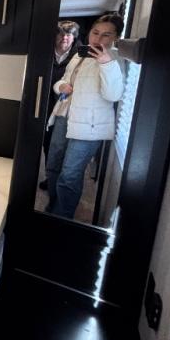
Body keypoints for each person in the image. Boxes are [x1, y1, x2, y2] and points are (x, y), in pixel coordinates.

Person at [44, 14, 124, 220]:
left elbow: (113, 95)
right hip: (64, 116)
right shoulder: (80, 53)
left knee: (70, 175)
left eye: (106, 35)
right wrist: (61, 86)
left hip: (89, 127)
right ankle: (53, 207)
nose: (98, 39)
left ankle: (62, 218)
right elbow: (63, 80)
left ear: (116, 37)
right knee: (53, 165)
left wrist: (106, 64)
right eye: (95, 33)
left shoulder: (116, 59)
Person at [38, 21, 80, 190]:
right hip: (42, 101)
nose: (64, 37)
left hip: (66, 106)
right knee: (46, 142)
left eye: (68, 34)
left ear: (73, 37)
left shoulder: (80, 56)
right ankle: (50, 177)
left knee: (59, 145)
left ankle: (56, 180)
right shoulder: (43, 51)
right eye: (61, 33)